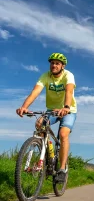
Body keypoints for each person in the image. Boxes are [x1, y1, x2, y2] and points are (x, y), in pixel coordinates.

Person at [16, 53, 77, 182]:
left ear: (62, 66)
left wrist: (66, 107)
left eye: (57, 63)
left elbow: (69, 91)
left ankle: (61, 169)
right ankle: (44, 154)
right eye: (52, 63)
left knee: (63, 134)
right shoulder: (45, 76)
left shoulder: (68, 75)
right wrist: (24, 106)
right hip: (52, 110)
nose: (54, 65)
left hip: (68, 110)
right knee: (39, 124)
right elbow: (35, 92)